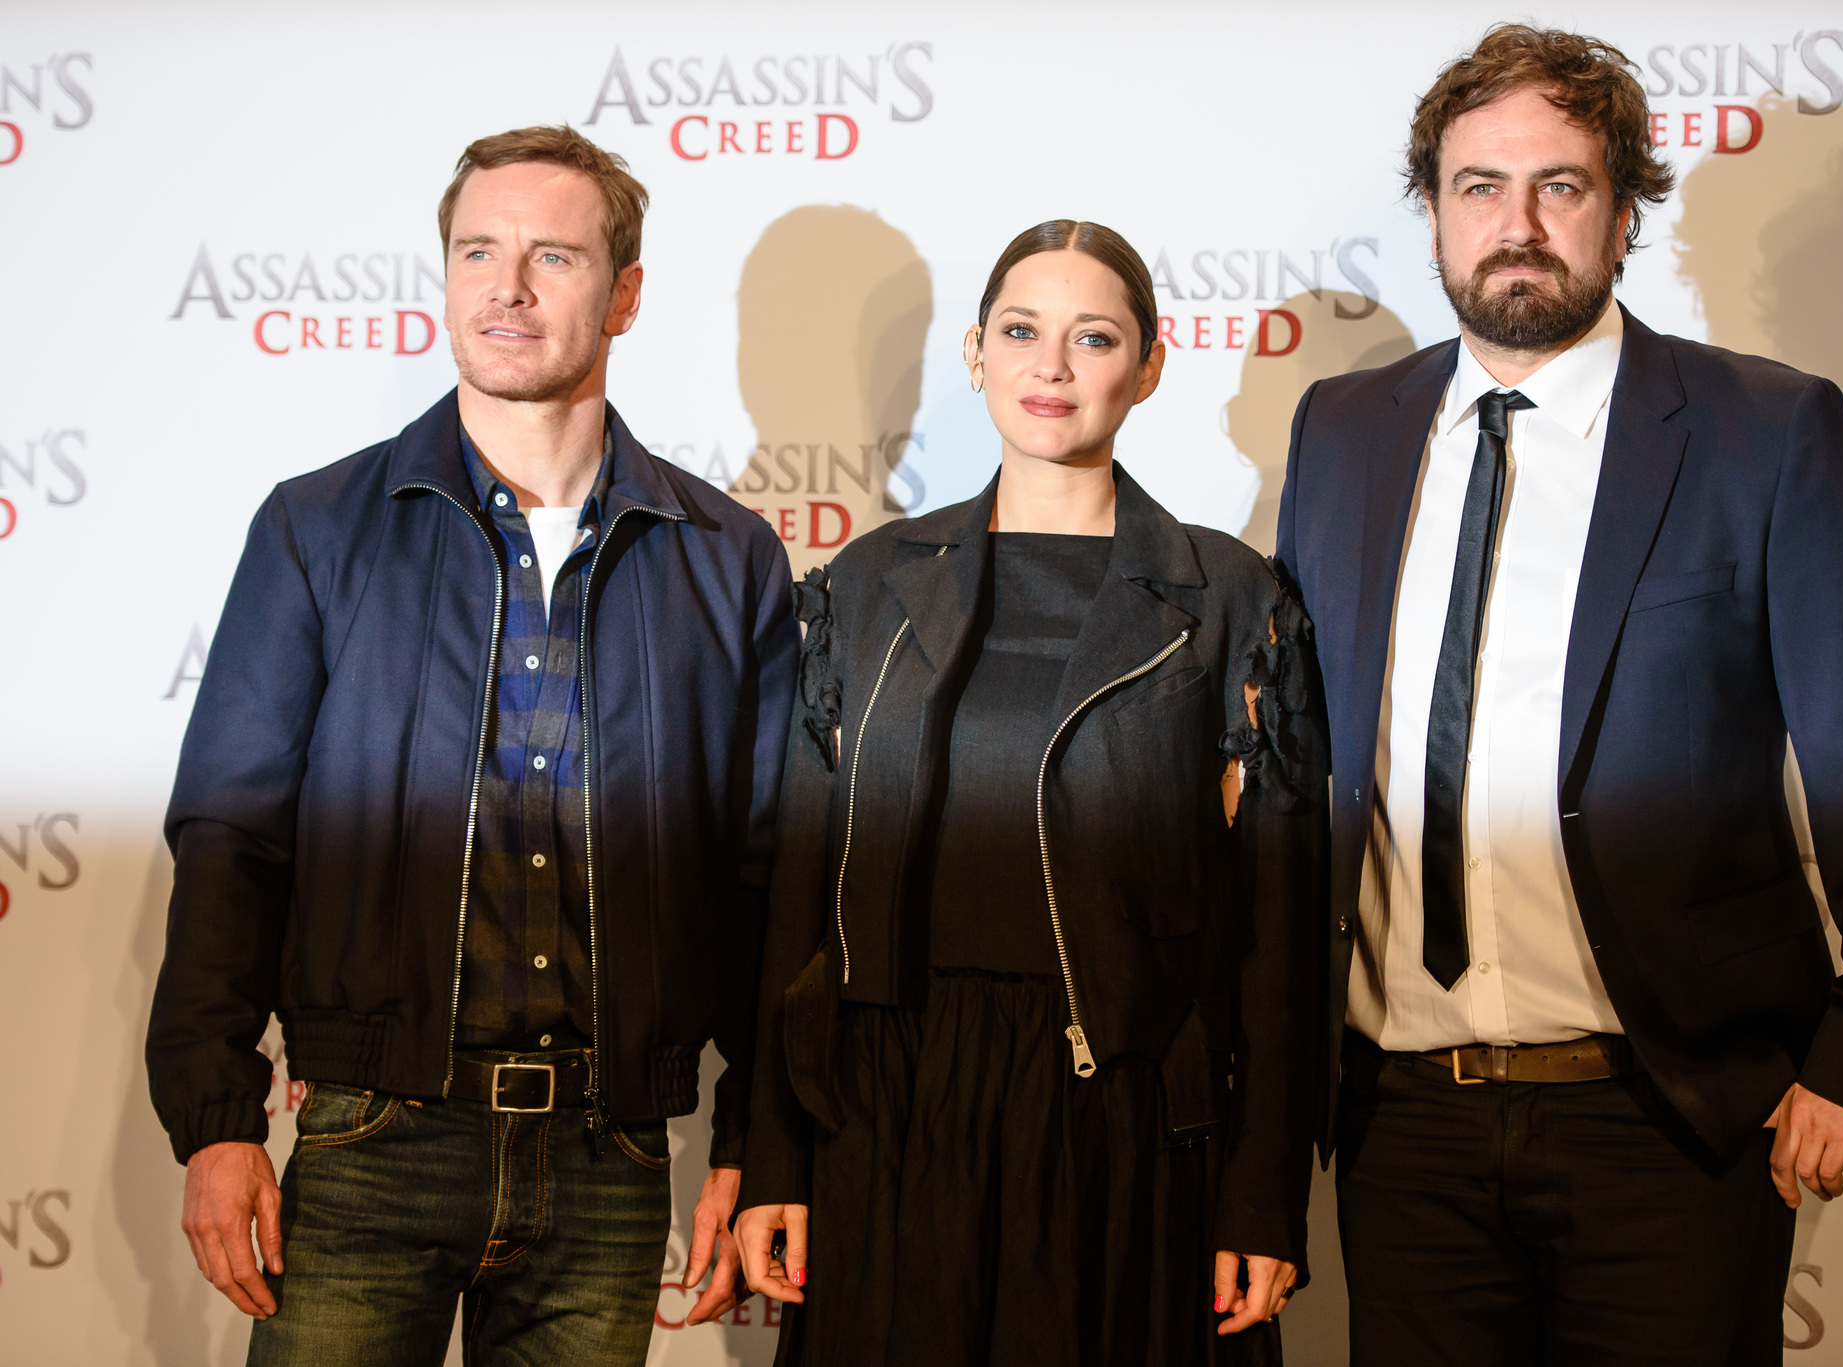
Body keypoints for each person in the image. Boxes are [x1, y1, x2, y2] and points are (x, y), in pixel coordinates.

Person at [1274, 26, 1843, 1365]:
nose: (1516, 225)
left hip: (1668, 1115)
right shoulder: (1341, 429)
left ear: (1626, 208)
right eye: (1480, 186)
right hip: (1400, 1122)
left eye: (1562, 186)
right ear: (1430, 211)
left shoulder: (1764, 429)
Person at [144, 125, 798, 1363]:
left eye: (551, 255)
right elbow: (231, 835)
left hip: (610, 1158)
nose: (504, 287)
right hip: (367, 1135)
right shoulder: (317, 529)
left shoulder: (727, 560)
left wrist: (757, 1137)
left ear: (626, 294)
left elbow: (763, 880)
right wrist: (218, 1114)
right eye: (475, 251)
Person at [734, 220, 1326, 1366]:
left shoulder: (1229, 600)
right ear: (974, 354)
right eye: (1020, 330)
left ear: (1146, 366)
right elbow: (797, 893)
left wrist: (1262, 1193)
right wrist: (774, 1155)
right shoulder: (866, 584)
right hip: (889, 1114)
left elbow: (1278, 928)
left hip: (1126, 1121)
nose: (1050, 366)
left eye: (1091, 336)